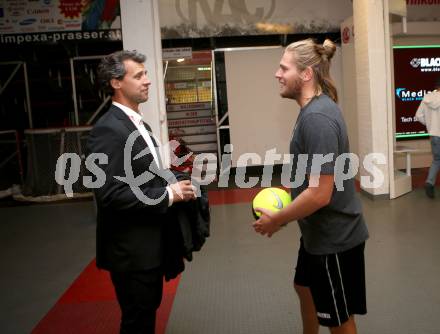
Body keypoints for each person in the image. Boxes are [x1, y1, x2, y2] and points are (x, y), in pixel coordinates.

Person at [252, 39, 369, 334]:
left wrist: (277, 219)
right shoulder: (312, 111)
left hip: (334, 237)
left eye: (283, 68)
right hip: (317, 233)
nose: (277, 74)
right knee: (303, 286)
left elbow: (319, 193)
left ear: (306, 74)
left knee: (338, 319)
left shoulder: (317, 118)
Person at [87, 50, 196, 334]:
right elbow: (110, 194)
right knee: (137, 322)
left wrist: (175, 180)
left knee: (146, 316)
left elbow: (143, 176)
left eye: (146, 74)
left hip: (148, 247)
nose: (147, 81)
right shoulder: (108, 130)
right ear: (116, 82)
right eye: (138, 75)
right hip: (131, 252)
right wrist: (169, 194)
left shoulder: (140, 125)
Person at [415, 77, 440, 198]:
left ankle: (429, 182)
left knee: (437, 160)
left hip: (434, 135)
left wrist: (430, 125)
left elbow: (418, 115)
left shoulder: (427, 98)